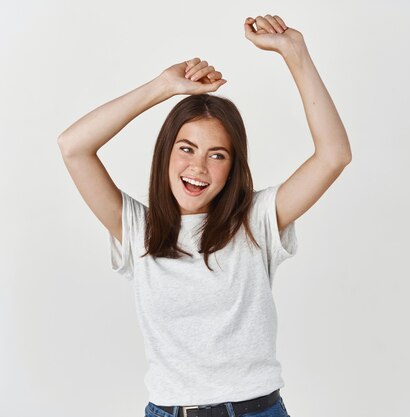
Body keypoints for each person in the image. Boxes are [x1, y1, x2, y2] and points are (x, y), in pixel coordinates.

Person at [57, 13, 351, 417]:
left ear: (232, 168)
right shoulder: (137, 230)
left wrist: (294, 53)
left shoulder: (257, 221)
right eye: (187, 148)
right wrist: (163, 86)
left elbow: (334, 155)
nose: (198, 167)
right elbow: (73, 145)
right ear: (166, 153)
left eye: (217, 155)